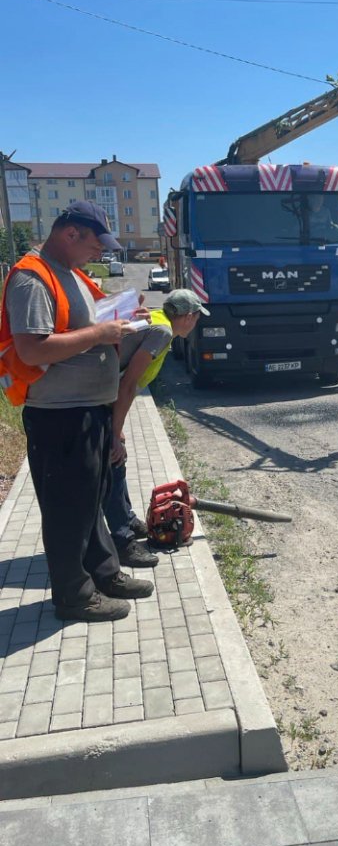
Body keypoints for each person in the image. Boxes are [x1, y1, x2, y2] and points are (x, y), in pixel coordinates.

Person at [0, 201, 154, 622]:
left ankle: (104, 573)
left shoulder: (71, 273)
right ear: (71, 234)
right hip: (60, 414)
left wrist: (122, 321)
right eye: (95, 244)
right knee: (69, 509)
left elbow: (83, 325)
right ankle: (73, 597)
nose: (99, 253)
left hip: (88, 409)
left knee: (90, 501)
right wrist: (100, 334)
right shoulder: (32, 279)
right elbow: (33, 348)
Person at [103, 289, 209, 565]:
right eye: (196, 317)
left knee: (118, 462)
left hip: (103, 399)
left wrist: (118, 426)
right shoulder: (162, 332)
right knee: (113, 466)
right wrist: (115, 431)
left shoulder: (158, 320)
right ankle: (122, 541)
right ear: (187, 317)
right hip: (98, 401)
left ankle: (127, 520)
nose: (196, 323)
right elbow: (126, 384)